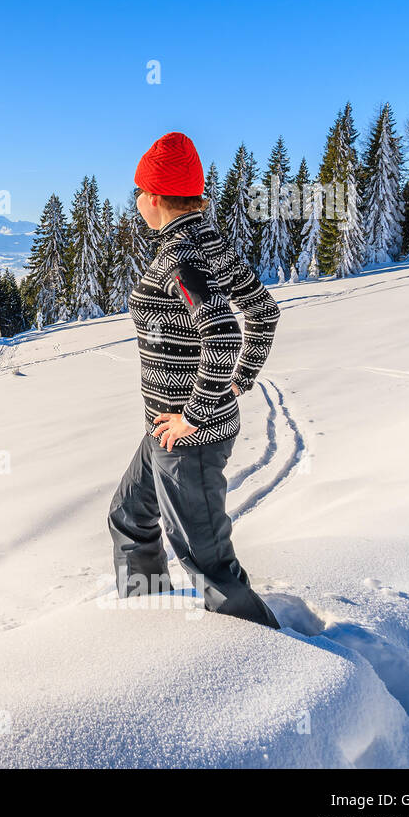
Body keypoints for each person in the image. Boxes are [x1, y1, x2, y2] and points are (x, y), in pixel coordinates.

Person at [107, 131, 282, 629]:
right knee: (130, 518)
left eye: (139, 191)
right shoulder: (208, 241)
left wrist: (195, 415)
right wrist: (236, 384)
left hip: (188, 440)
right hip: (167, 431)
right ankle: (147, 619)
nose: (137, 200)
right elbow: (263, 313)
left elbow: (223, 331)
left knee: (210, 567)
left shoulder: (182, 256)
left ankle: (279, 665)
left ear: (156, 197)